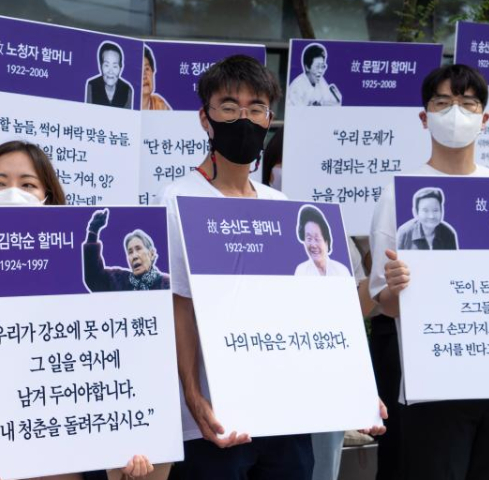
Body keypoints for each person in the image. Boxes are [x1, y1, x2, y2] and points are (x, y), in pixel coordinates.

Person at [159, 55, 385, 480]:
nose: (243, 119)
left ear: (270, 120)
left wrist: (354, 391)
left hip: (286, 415)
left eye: (256, 109)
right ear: (205, 118)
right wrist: (192, 394)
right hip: (214, 422)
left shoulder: (283, 208)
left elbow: (316, 315)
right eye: (229, 107)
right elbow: (180, 305)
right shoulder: (176, 200)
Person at [0, 141, 155, 480]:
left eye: (27, 185)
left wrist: (126, 441)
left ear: (49, 198)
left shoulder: (82, 289)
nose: (12, 193)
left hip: (69, 459)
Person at [369, 64, 489, 480]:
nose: (456, 112)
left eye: (468, 103)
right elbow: (382, 303)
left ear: (484, 117)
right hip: (434, 384)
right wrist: (397, 291)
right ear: (425, 116)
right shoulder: (398, 194)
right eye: (443, 102)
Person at [83, 208, 170, 292]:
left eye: (138, 249)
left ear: (151, 254)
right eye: (130, 252)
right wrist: (93, 233)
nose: (134, 256)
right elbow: (94, 277)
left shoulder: (166, 284)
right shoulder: (118, 281)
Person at [294, 205, 350, 277]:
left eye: (317, 239)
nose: (313, 245)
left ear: (326, 242)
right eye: (309, 238)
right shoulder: (301, 271)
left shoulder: (341, 270)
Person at [287, 43, 341, 107]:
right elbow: (296, 114)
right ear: (307, 67)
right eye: (317, 66)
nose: (321, 71)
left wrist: (336, 101)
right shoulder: (296, 88)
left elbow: (329, 102)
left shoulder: (321, 81)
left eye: (322, 66)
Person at [85, 41, 133, 109]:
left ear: (120, 67)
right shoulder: (90, 87)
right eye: (106, 65)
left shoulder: (127, 90)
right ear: (101, 66)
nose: (110, 71)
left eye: (115, 66)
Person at [142, 46, 171, 111]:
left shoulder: (159, 105)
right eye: (140, 71)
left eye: (147, 69)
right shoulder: (125, 103)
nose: (144, 76)